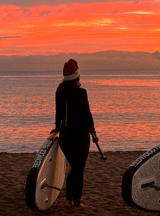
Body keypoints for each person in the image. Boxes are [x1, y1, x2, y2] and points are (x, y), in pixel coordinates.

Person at [49, 59, 99, 208]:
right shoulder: (81, 92)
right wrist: (93, 133)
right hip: (80, 136)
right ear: (77, 74)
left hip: (65, 135)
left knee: (75, 168)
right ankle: (75, 201)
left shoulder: (60, 90)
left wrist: (57, 128)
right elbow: (87, 114)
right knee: (78, 169)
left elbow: (59, 112)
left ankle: (69, 200)